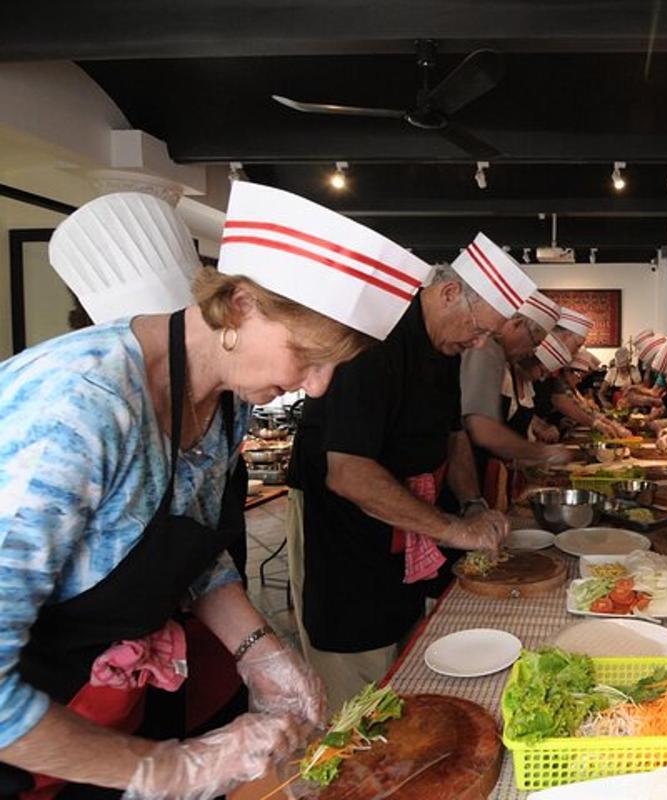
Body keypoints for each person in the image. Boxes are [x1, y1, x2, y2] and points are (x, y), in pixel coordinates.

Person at [0, 182, 395, 798]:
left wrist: (258, 648)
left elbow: (187, 545)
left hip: (110, 713)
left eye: (333, 368)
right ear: (240, 305)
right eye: (308, 356)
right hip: (30, 747)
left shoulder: (224, 401)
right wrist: (169, 770)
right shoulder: (79, 406)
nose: (315, 388)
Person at [286, 231, 537, 710]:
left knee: (405, 655)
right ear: (447, 293)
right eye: (479, 329)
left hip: (405, 526)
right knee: (359, 678)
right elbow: (349, 473)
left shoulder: (444, 343)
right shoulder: (372, 339)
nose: (479, 343)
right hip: (346, 533)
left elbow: (453, 435)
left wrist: (472, 503)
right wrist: (453, 529)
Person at [460, 286, 572, 497]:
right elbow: (482, 429)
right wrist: (544, 453)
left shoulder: (504, 360)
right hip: (470, 474)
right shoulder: (487, 349)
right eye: (534, 342)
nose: (532, 351)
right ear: (517, 324)